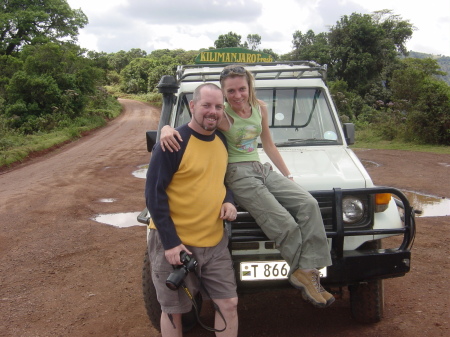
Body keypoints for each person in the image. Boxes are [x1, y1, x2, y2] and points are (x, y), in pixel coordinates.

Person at [159, 64, 335, 308]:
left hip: (260, 168)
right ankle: (304, 274)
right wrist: (165, 129)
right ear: (223, 93)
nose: (238, 95)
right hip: (237, 173)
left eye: (242, 88)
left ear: (250, 86)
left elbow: (269, 146)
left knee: (309, 203)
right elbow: (195, 122)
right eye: (230, 91)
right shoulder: (223, 115)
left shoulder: (260, 109)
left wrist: (288, 176)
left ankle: (309, 269)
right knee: (284, 222)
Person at [145, 83, 239, 337]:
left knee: (229, 303)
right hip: (176, 243)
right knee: (173, 311)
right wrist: (171, 243)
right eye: (207, 105)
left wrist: (228, 200)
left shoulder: (221, 140)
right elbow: (153, 196)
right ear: (193, 106)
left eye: (218, 107)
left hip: (214, 242)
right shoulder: (173, 142)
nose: (213, 112)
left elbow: (220, 180)